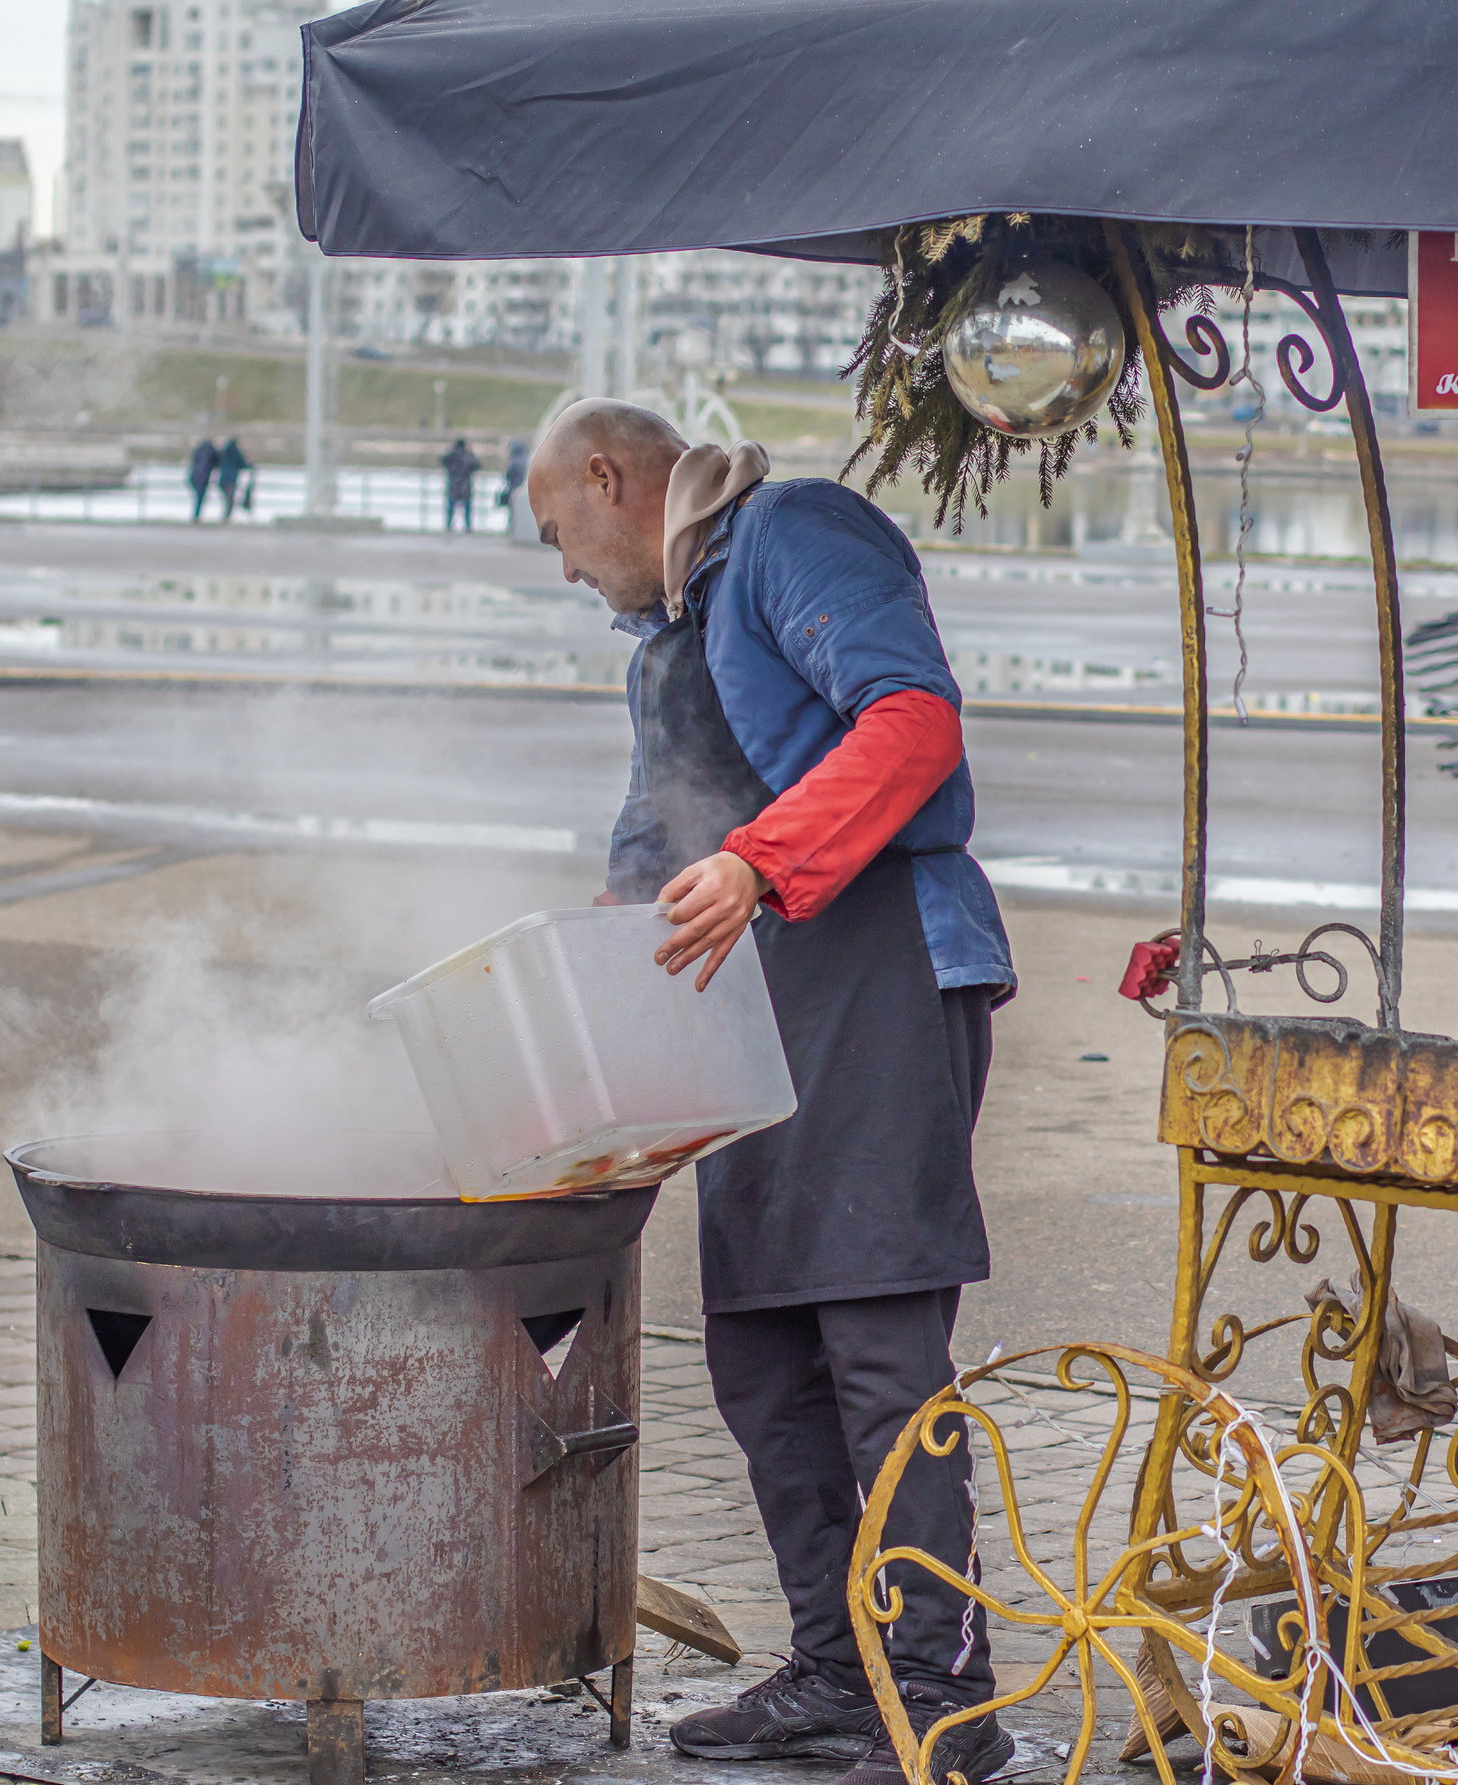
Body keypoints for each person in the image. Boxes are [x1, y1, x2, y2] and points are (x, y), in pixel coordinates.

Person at [524, 400, 1016, 1785]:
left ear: (609, 480)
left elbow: (913, 723)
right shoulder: (665, 636)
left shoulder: (793, 531)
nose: (567, 570)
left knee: (872, 1346)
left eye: (560, 534)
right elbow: (649, 845)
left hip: (881, 976)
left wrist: (757, 863)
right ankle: (836, 1675)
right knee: (760, 1359)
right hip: (758, 1008)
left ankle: (942, 1699)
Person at [442, 436, 481, 531]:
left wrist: (448, 449)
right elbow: (477, 465)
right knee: (467, 510)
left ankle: (448, 526)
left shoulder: (451, 455)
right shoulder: (468, 456)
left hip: (453, 486)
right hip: (465, 487)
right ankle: (468, 527)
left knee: (450, 510)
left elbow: (443, 461)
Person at [215, 438, 251, 521]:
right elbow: (243, 464)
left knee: (227, 499)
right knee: (230, 500)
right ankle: (226, 517)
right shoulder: (236, 453)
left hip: (222, 480)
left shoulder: (223, 452)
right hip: (231, 480)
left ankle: (225, 516)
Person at [187, 436, 220, 523]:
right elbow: (217, 462)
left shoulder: (198, 450)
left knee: (198, 497)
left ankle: (196, 516)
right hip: (203, 477)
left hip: (193, 476)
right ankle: (196, 517)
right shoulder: (211, 451)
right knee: (200, 497)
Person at [498, 436, 529, 516]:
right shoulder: (527, 460)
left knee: (513, 513)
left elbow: (507, 476)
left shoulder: (512, 462)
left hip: (514, 489)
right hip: (525, 490)